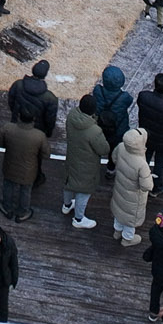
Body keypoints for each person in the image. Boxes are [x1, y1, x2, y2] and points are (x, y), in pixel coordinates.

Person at [61, 95, 110, 229]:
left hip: (72, 157)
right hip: (87, 165)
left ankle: (66, 205)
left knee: (69, 183)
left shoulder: (71, 116)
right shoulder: (94, 131)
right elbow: (104, 149)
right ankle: (78, 219)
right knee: (83, 191)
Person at [109, 127, 152, 246]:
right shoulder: (141, 164)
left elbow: (114, 158)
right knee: (130, 218)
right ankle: (127, 239)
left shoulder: (121, 147)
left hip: (119, 188)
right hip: (134, 197)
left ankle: (117, 232)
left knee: (119, 211)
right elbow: (146, 186)